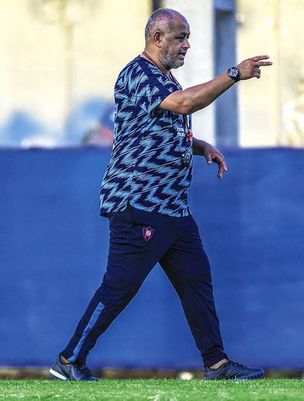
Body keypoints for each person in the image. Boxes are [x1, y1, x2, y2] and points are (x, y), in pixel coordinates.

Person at [49, 8, 272, 381]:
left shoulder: (165, 79)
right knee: (119, 286)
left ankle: (216, 364)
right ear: (157, 38)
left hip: (172, 208)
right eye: (179, 37)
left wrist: (201, 147)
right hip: (139, 203)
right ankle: (69, 360)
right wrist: (233, 74)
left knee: (196, 281)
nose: (186, 45)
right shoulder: (139, 72)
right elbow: (185, 104)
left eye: (187, 38)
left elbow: (161, 127)